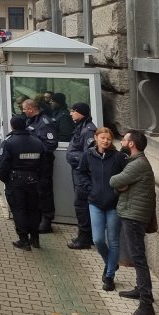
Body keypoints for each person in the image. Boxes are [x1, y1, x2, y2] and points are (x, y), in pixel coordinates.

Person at [109, 129, 157, 315]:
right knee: (138, 256)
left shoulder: (137, 165)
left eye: (124, 140)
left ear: (131, 144)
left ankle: (146, 303)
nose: (121, 142)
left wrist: (119, 184)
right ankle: (140, 289)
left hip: (134, 216)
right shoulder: (136, 163)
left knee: (138, 258)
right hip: (132, 213)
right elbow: (120, 185)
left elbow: (114, 180)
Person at [77, 127, 127, 292]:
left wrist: (119, 190)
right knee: (98, 239)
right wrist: (90, 188)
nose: (106, 141)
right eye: (103, 138)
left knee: (113, 240)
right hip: (95, 202)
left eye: (108, 138)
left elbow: (127, 176)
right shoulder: (88, 155)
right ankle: (111, 263)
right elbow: (81, 173)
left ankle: (109, 276)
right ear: (96, 138)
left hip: (114, 204)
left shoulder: (118, 157)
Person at [0, 115, 44, 251]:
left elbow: (3, 164)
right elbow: (43, 164)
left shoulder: (9, 142)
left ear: (12, 126)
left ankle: (24, 240)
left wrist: (4, 179)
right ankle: (35, 238)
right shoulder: (37, 142)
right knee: (33, 210)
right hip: (33, 180)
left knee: (19, 210)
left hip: (16, 181)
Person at [21, 98, 57, 233]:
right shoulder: (32, 121)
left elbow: (50, 145)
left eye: (24, 109)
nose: (23, 111)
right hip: (32, 164)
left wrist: (34, 149)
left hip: (43, 164)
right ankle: (37, 218)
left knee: (44, 192)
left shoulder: (45, 123)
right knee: (35, 192)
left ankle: (47, 221)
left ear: (31, 109)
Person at [65, 102, 98, 250]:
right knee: (80, 205)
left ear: (81, 113)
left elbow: (89, 155)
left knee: (82, 206)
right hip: (78, 173)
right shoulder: (81, 127)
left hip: (83, 176)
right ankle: (83, 235)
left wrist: (75, 158)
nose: (71, 114)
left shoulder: (88, 130)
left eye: (73, 111)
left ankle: (85, 238)